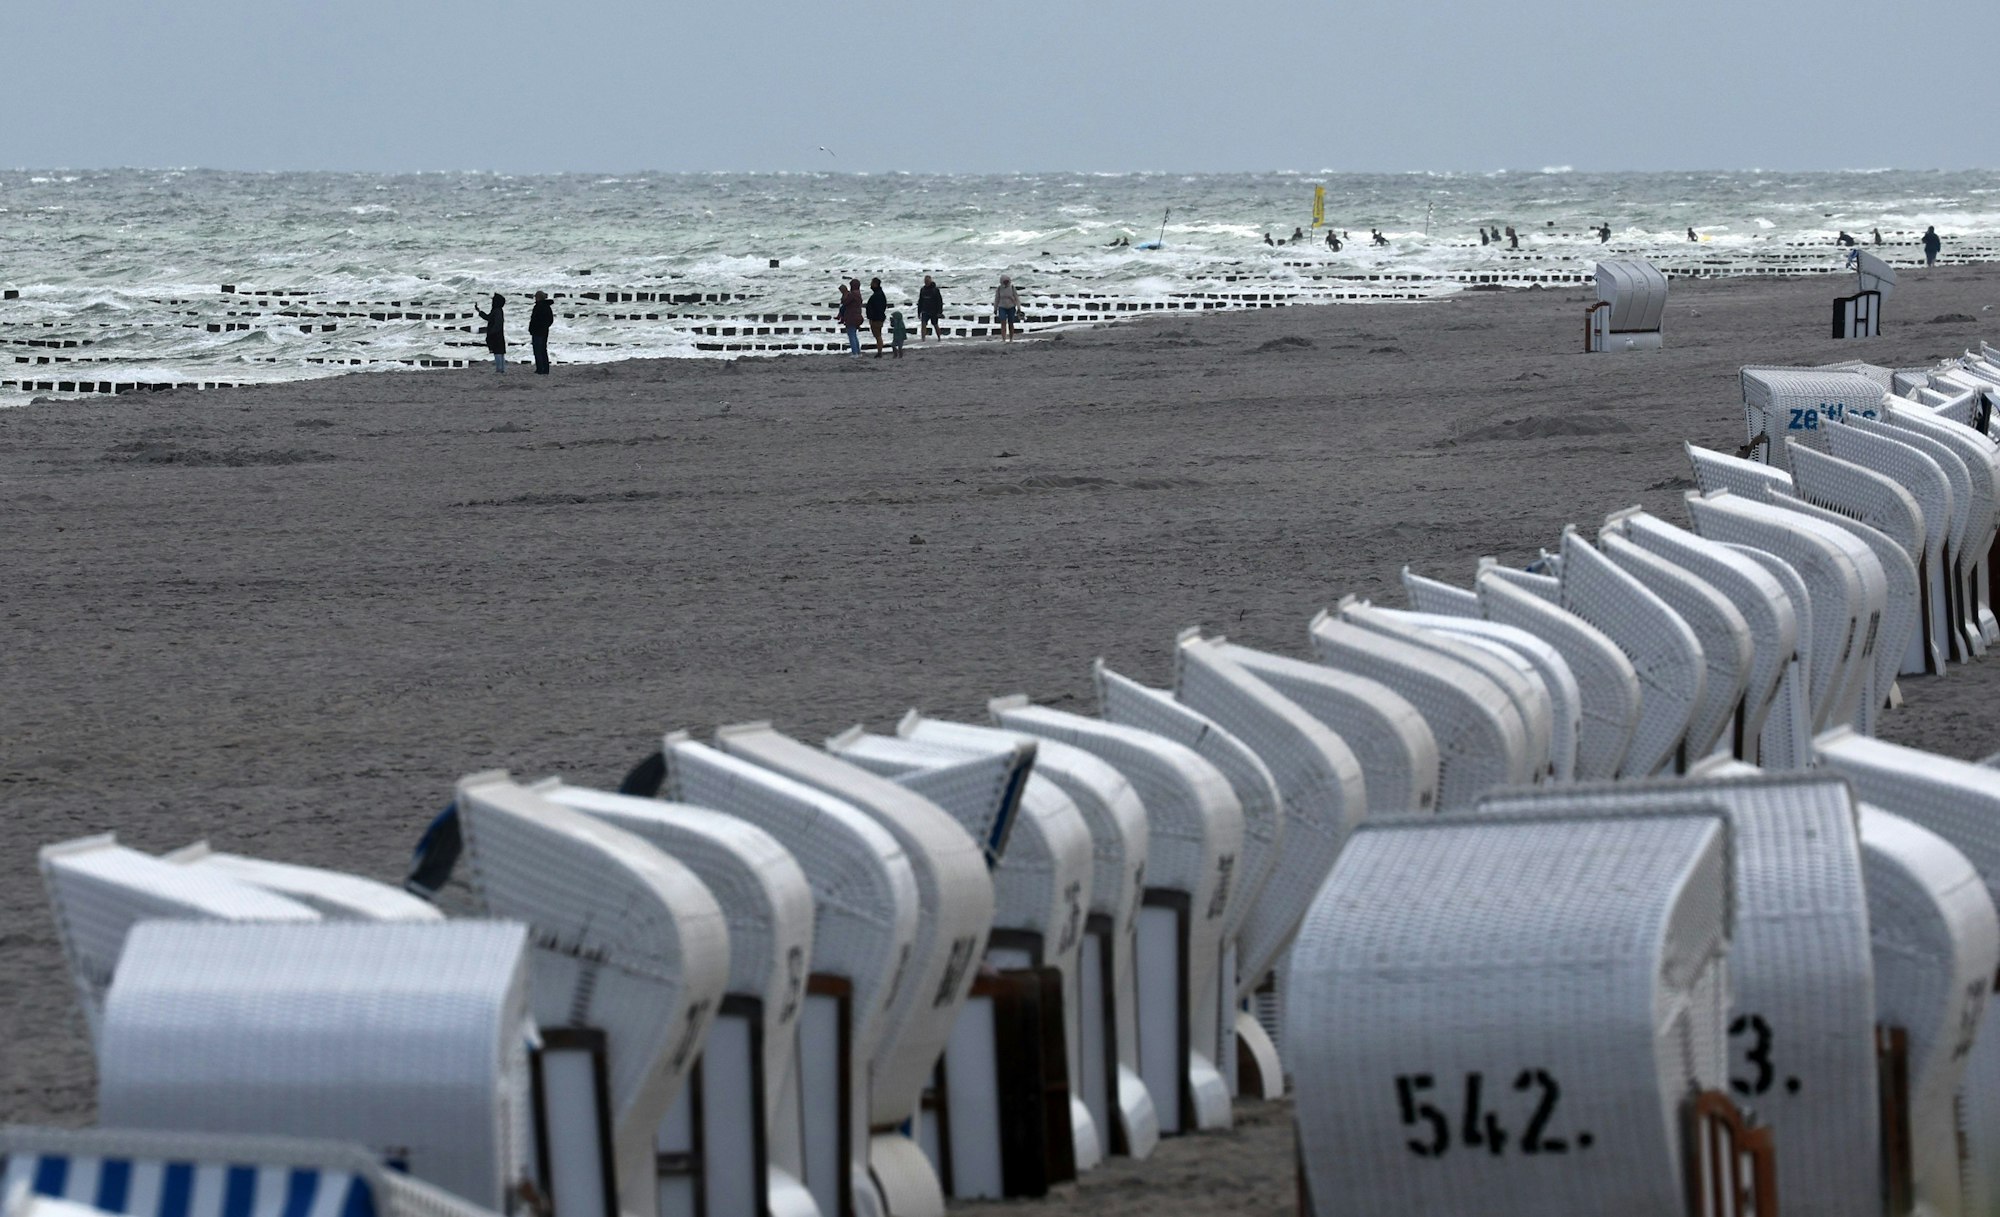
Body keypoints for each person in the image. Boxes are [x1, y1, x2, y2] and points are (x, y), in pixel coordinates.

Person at [474, 293, 506, 373]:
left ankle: (499, 369)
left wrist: (492, 332)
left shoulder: (496, 311)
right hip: (498, 334)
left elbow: (494, 322)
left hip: (496, 334)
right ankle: (501, 368)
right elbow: (488, 318)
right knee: (500, 352)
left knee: (497, 352)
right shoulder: (498, 310)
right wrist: (479, 311)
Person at [528, 291, 554, 375]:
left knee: (538, 350)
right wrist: (545, 326)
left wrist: (533, 328)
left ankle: (540, 369)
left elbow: (534, 320)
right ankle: (545, 369)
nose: (535, 298)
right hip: (544, 331)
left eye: (536, 297)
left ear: (539, 297)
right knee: (543, 350)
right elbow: (550, 320)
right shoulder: (547, 307)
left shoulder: (538, 307)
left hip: (537, 331)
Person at [836, 278, 863, 355]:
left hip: (851, 317)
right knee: (854, 334)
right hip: (858, 316)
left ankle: (855, 353)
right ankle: (858, 352)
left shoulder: (852, 294)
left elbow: (844, 302)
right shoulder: (858, 294)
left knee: (851, 335)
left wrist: (845, 292)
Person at [865, 276, 889, 357]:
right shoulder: (879, 294)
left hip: (876, 318)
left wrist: (871, 317)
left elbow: (876, 308)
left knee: (878, 335)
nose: (870, 285)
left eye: (872, 283)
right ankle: (879, 351)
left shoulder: (877, 295)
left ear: (875, 284)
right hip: (878, 317)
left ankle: (879, 352)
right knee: (878, 335)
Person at [993, 274, 1021, 342]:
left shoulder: (1012, 288)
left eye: (1007, 281)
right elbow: (997, 299)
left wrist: (1019, 307)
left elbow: (1016, 298)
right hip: (1002, 307)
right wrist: (995, 308)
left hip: (1011, 307)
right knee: (1003, 323)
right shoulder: (999, 288)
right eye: (1004, 281)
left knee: (1011, 323)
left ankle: (1011, 339)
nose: (1006, 283)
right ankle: (1004, 339)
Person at [917, 274, 945, 340]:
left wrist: (939, 312)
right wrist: (919, 312)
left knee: (935, 324)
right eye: (925, 281)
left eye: (927, 281)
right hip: (925, 310)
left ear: (930, 281)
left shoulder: (935, 290)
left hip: (934, 311)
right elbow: (920, 301)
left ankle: (939, 338)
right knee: (923, 324)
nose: (926, 282)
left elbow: (939, 301)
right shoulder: (922, 289)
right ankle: (923, 339)